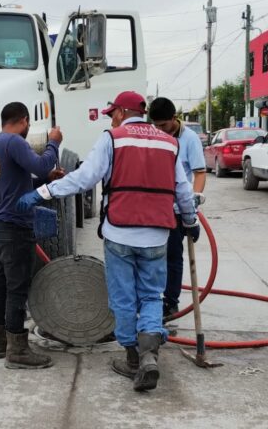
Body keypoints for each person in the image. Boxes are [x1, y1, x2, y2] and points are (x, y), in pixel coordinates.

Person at [16, 91, 198, 391]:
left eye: (113, 112)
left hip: (120, 233)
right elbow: (183, 189)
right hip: (156, 234)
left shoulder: (112, 139)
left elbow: (83, 178)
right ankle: (150, 353)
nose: (111, 117)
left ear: (124, 112)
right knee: (152, 296)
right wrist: (190, 221)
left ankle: (132, 359)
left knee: (123, 298)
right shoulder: (170, 143)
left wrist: (42, 193)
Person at [0, 101, 64, 369]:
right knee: (17, 289)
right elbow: (42, 164)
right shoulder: (15, 141)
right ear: (23, 120)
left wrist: (46, 180)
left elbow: (18, 184)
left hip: (0, 227)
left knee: (0, 286)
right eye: (28, 124)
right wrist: (53, 143)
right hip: (15, 227)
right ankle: (18, 352)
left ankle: (0, 344)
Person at [147, 98, 207, 319]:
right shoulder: (153, 136)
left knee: (173, 256)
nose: (160, 130)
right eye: (156, 125)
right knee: (151, 255)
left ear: (174, 119)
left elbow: (199, 172)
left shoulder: (189, 139)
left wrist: (194, 202)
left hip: (176, 209)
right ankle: (150, 299)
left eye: (163, 125)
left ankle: (170, 302)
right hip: (152, 207)